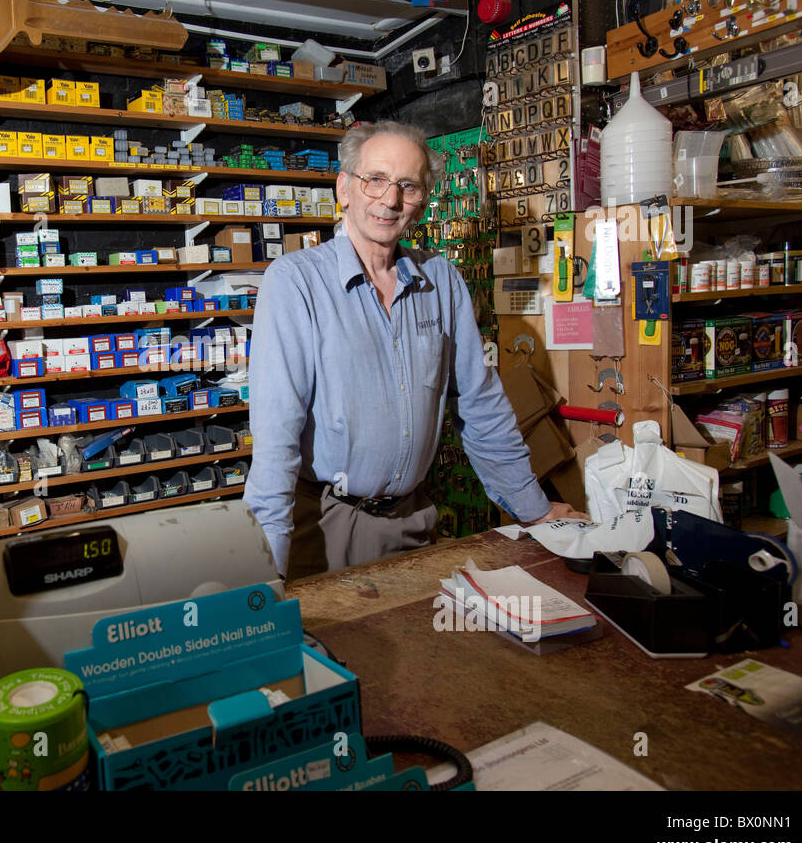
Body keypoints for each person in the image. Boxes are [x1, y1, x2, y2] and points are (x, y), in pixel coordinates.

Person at [244, 120, 588, 579]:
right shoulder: (295, 282)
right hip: (320, 531)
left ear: (423, 200)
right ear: (344, 187)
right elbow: (276, 442)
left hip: (413, 524)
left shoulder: (441, 281)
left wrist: (534, 510)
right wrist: (262, 580)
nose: (390, 200)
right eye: (376, 180)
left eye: (407, 185)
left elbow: (482, 407)